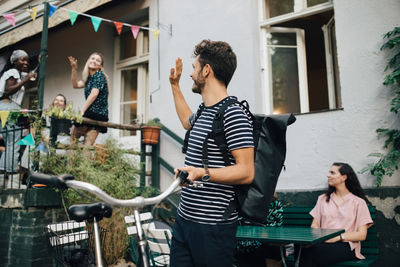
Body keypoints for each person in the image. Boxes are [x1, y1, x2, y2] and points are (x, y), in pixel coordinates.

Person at [169, 40, 255, 267]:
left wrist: (201, 173)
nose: (191, 74)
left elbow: (246, 172)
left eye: (194, 68)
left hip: (213, 226)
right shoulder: (205, 112)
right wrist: (174, 85)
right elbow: (187, 122)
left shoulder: (234, 114)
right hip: (184, 219)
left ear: (207, 71)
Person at [297, 162, 373, 267]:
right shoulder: (322, 199)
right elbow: (314, 226)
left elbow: (362, 235)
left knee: (312, 252)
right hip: (323, 242)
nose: (328, 175)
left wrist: (338, 237)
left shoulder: (358, 202)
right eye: (329, 172)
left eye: (332, 173)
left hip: (346, 245)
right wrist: (322, 238)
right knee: (300, 247)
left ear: (344, 177)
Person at [0, 50, 37, 175]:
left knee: (11, 141)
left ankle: (4, 170)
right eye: (23, 60)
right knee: (14, 142)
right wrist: (26, 80)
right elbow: (8, 90)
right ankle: (10, 170)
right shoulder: (13, 72)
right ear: (14, 61)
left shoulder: (15, 73)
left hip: (5, 107)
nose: (26, 62)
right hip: (8, 107)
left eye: (27, 60)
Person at [68, 52, 109, 147]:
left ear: (100, 66)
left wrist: (82, 111)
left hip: (93, 113)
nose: (94, 61)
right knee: (88, 145)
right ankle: (83, 162)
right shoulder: (89, 79)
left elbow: (94, 94)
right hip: (101, 115)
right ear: (88, 61)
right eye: (92, 58)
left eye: (97, 60)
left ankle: (71, 162)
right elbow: (75, 85)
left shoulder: (99, 75)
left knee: (73, 140)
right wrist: (74, 68)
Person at [235, 193, 284, 267]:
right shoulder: (238, 201)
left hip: (263, 243)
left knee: (273, 249)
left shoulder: (274, 203)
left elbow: (274, 230)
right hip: (239, 243)